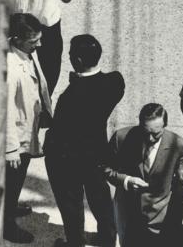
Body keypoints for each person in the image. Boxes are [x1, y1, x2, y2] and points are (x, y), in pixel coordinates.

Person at [44, 34, 125, 247]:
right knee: (101, 200)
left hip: (67, 159)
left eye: (71, 55)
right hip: (96, 155)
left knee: (72, 205)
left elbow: (59, 131)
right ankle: (108, 239)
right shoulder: (115, 82)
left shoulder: (69, 97)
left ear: (78, 61)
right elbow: (110, 84)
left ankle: (75, 243)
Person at [103, 102, 183, 247]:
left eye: (156, 134)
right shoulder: (121, 138)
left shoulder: (179, 145)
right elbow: (104, 167)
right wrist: (126, 180)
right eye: (145, 132)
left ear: (165, 126)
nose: (150, 139)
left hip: (160, 217)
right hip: (128, 212)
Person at [5, 13, 52, 244]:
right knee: (11, 181)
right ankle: (6, 225)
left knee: (18, 179)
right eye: (34, 41)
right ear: (17, 38)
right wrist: (11, 148)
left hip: (29, 126)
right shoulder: (10, 68)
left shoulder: (27, 51)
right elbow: (7, 110)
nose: (39, 45)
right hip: (17, 137)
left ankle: (10, 207)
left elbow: (38, 83)